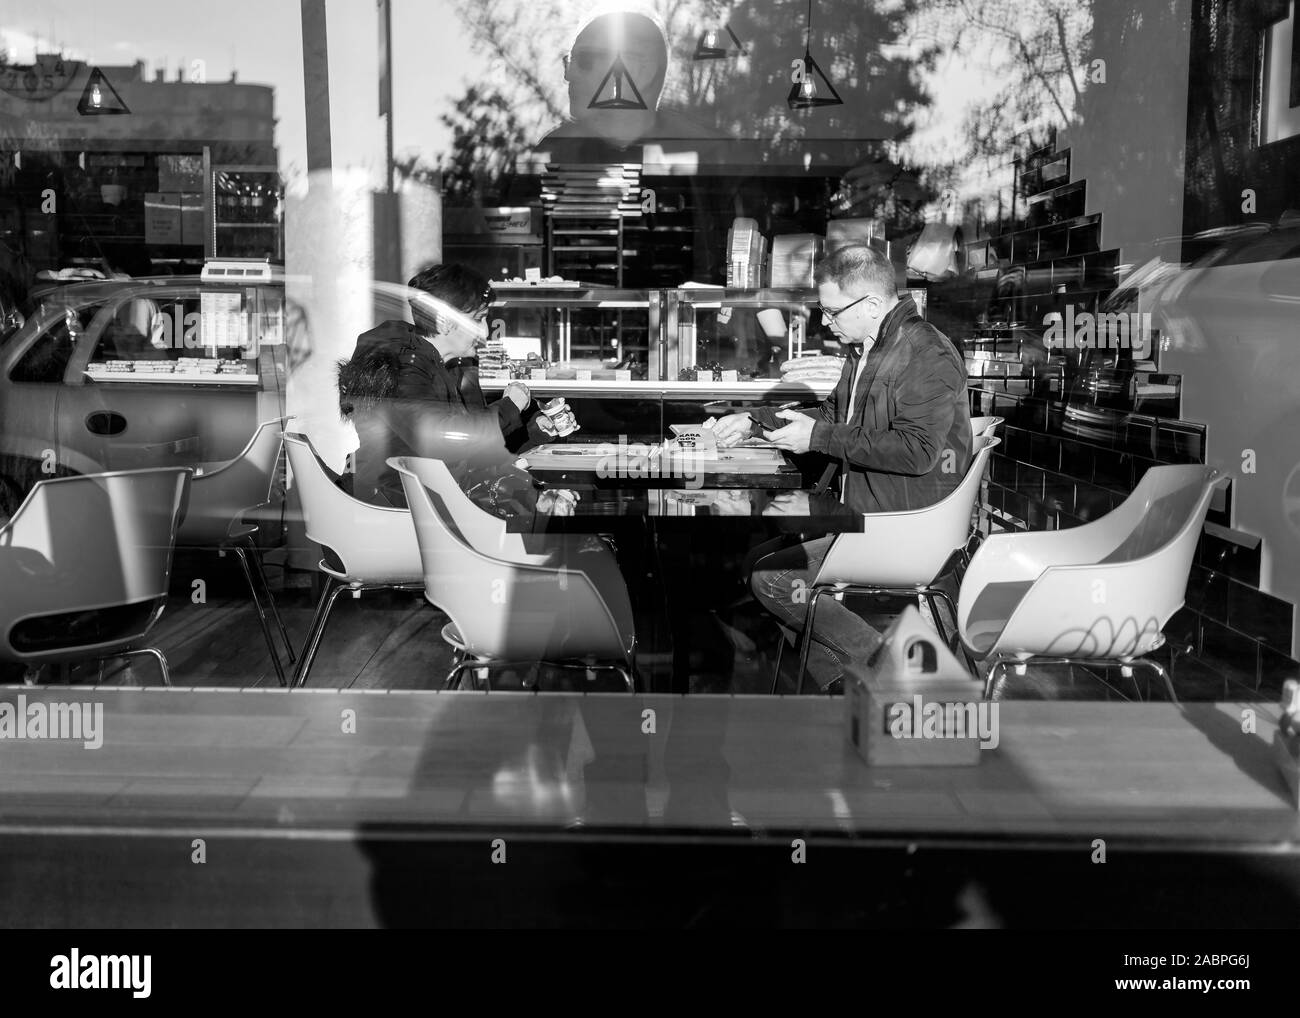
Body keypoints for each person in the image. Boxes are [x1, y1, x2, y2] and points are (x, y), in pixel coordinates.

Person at [712, 244, 973, 693]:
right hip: (872, 513)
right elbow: (833, 419)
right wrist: (754, 420)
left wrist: (815, 438)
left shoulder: (924, 353)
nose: (825, 322)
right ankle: (847, 694)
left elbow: (916, 452)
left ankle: (904, 678)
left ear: (871, 304)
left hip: (906, 525)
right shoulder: (868, 349)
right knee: (760, 561)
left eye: (832, 311)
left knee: (773, 579)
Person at [336, 263, 576, 510]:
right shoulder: (401, 368)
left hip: (435, 503)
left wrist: (534, 430)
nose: (484, 331)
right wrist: (509, 406)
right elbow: (447, 442)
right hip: (396, 510)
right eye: (478, 319)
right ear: (446, 322)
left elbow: (476, 445)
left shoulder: (452, 365)